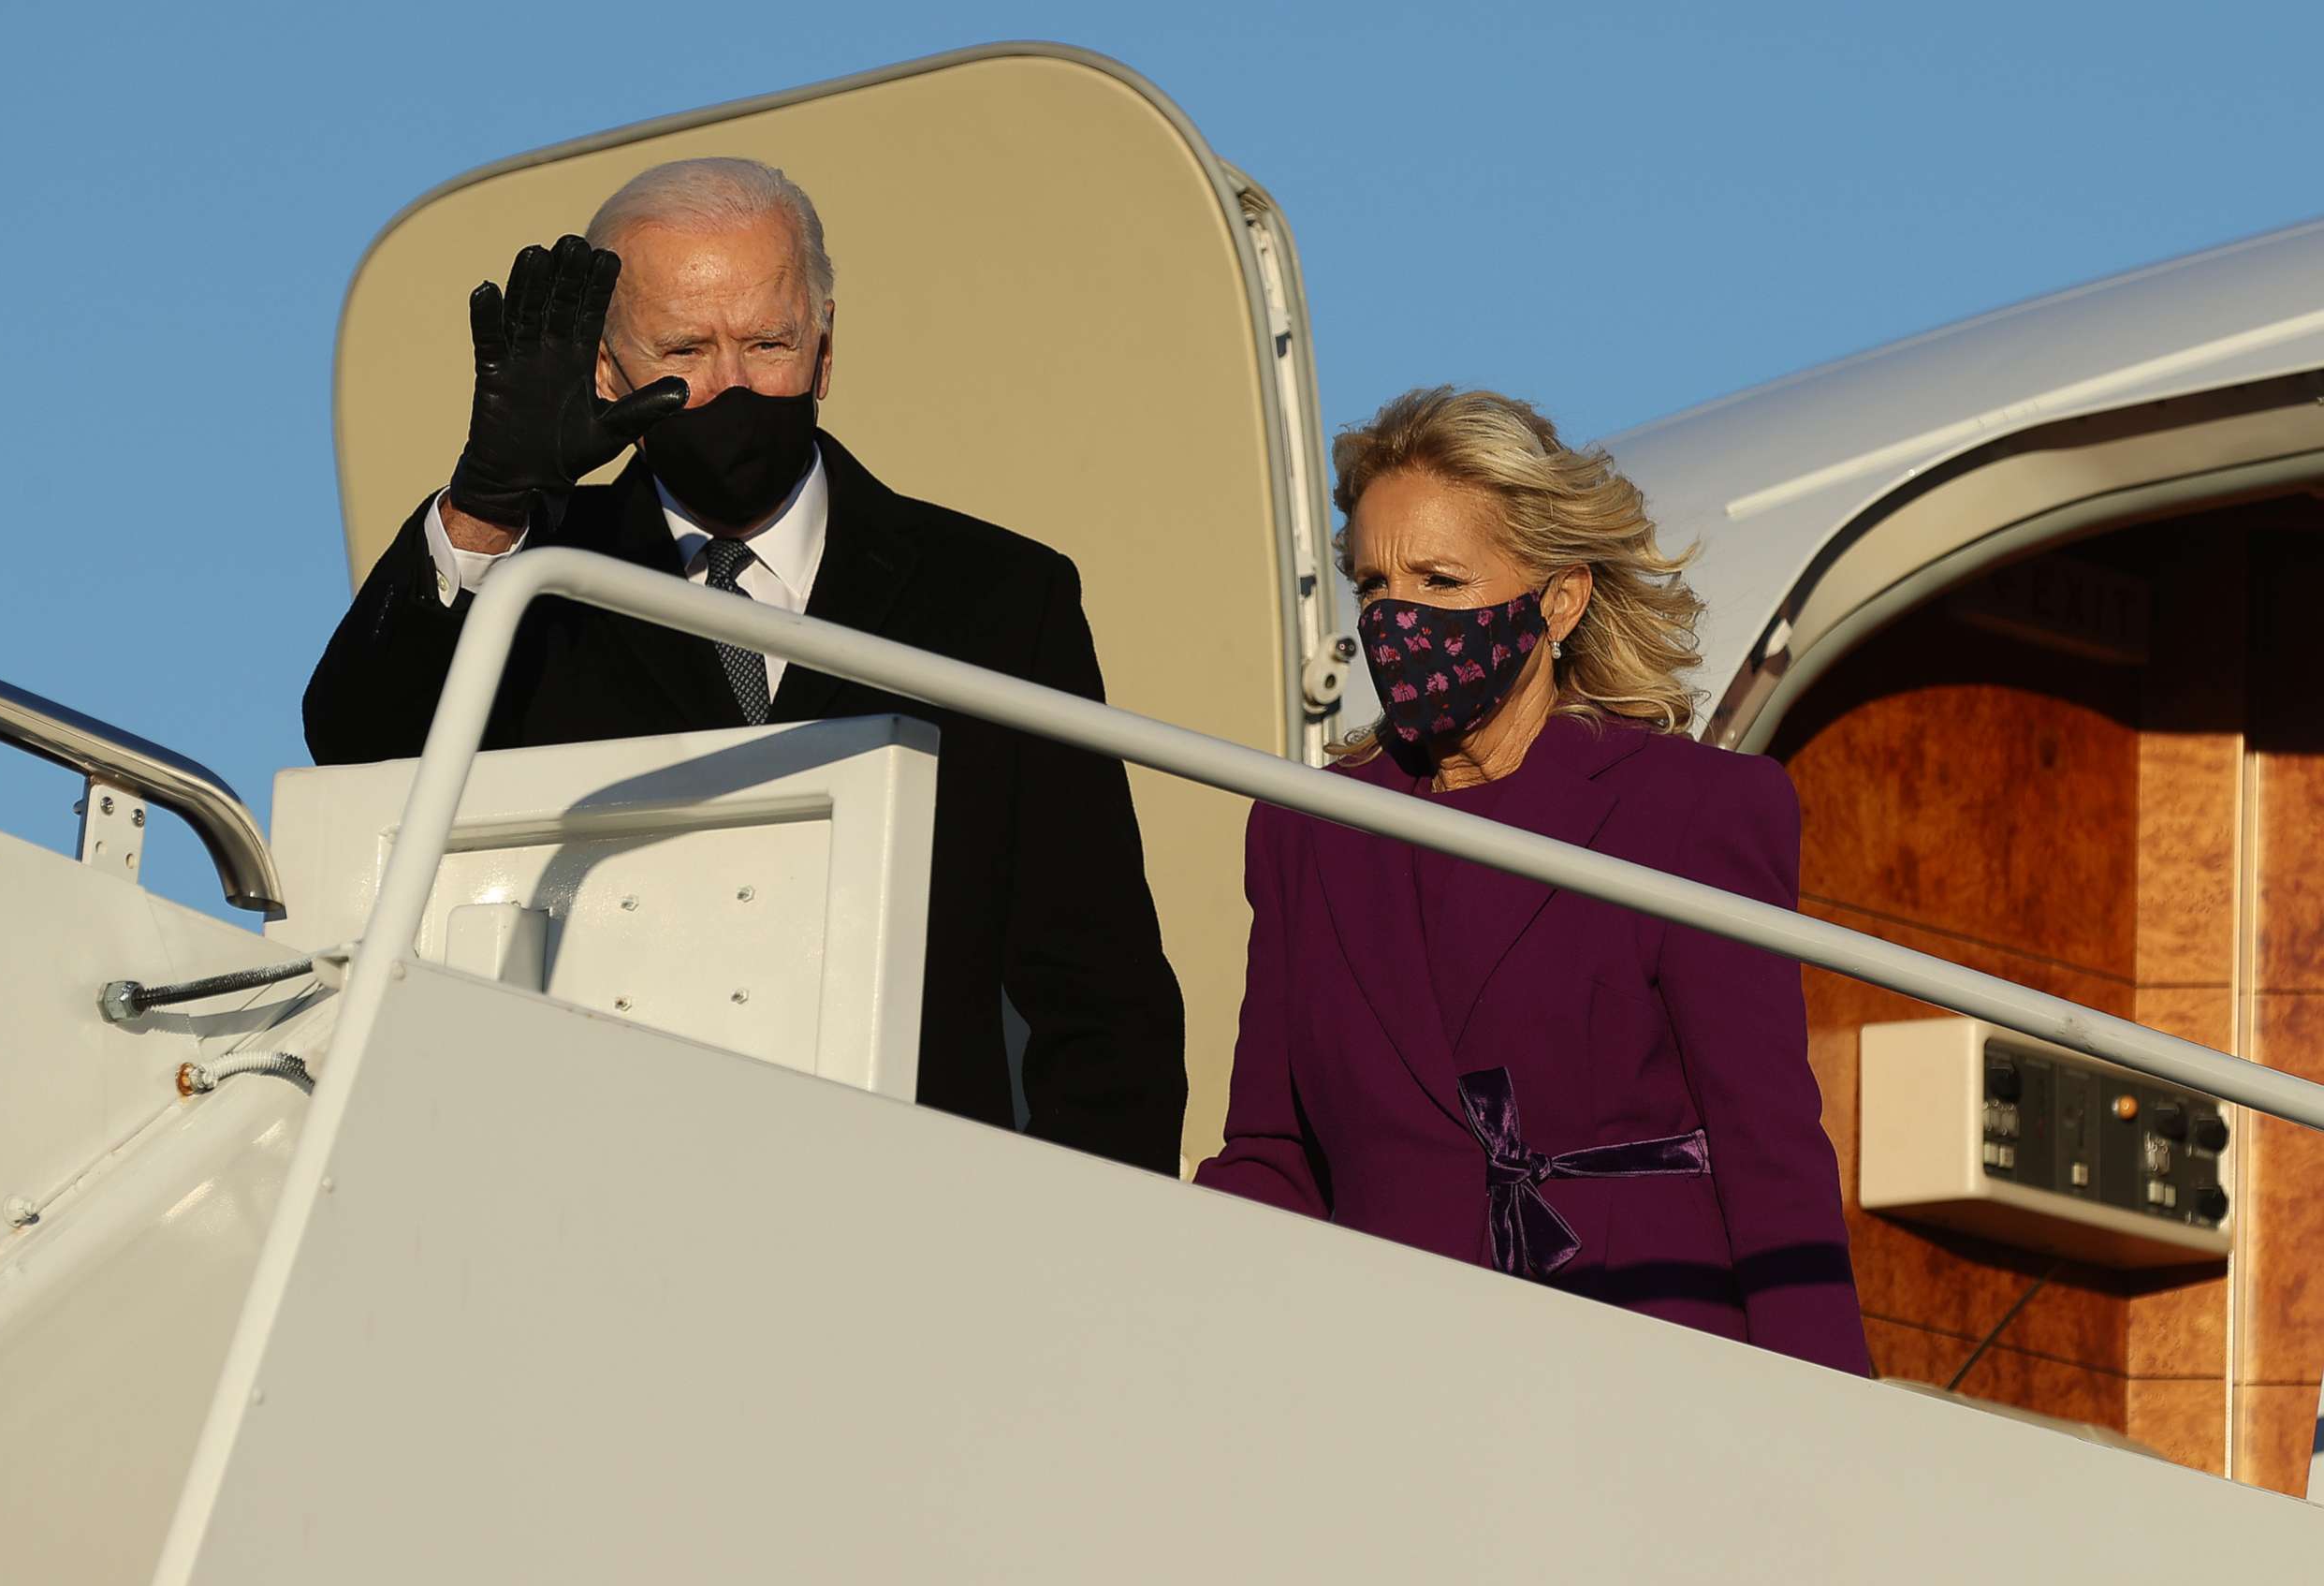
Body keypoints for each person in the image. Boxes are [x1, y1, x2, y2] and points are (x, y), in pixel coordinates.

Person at [304, 158, 1186, 1174]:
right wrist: (488, 505)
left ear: (823, 346)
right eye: (684, 346)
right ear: (603, 369)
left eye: (766, 342)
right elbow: (358, 736)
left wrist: (1077, 1256)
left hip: (920, 1219)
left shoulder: (997, 599)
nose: (729, 383)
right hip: (590, 1196)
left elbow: (1098, 989)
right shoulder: (536, 584)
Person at [1193, 387, 1867, 1373]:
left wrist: (1835, 1427)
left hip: (1645, 1355)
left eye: (1440, 580)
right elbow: (1273, 1153)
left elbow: (1767, 1147)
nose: (1398, 620)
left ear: (1559, 600)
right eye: (1375, 585)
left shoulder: (1690, 810)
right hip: (1382, 1365)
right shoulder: (1307, 832)